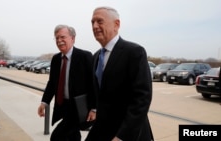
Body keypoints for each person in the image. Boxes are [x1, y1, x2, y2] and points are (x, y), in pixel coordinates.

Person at [85, 6, 154, 141]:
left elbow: (142, 98)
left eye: (99, 21)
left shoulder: (134, 52)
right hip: (102, 128)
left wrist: (123, 136)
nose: (94, 26)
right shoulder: (96, 57)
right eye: (92, 22)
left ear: (116, 24)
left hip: (127, 132)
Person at [37, 24, 96, 141]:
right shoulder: (56, 59)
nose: (59, 41)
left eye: (62, 37)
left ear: (72, 38)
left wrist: (94, 108)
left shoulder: (85, 56)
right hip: (62, 106)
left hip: (79, 108)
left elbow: (93, 84)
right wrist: (44, 103)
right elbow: (52, 83)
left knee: (56, 137)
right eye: (57, 38)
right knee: (72, 136)